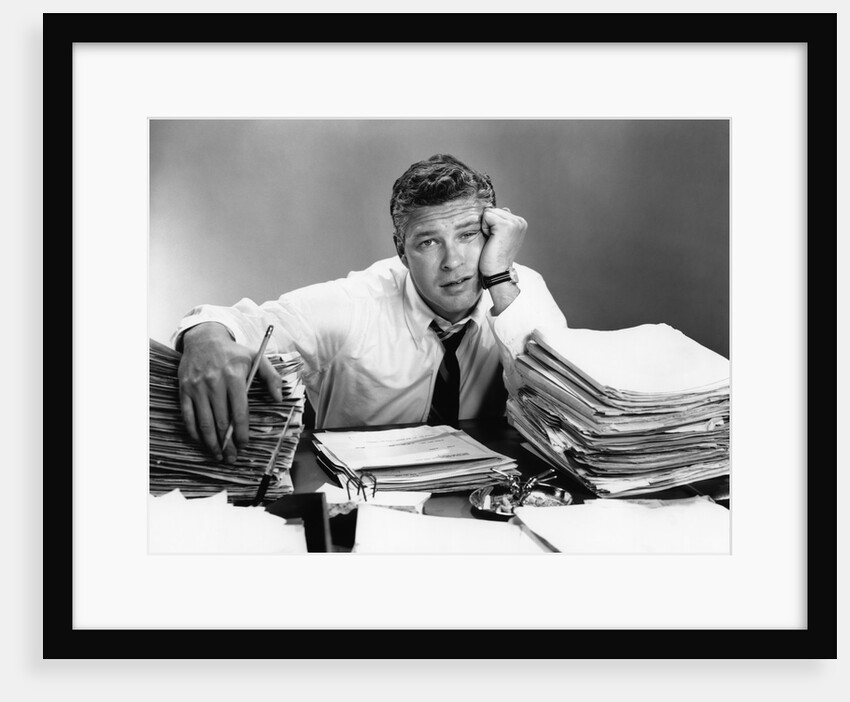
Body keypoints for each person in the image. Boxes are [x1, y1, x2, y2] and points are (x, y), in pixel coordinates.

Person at [173, 154, 567, 463]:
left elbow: (566, 400)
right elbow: (236, 323)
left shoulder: (514, 288)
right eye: (428, 242)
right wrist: (204, 336)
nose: (453, 262)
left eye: (468, 235)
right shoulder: (354, 304)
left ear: (495, 233)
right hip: (366, 502)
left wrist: (499, 279)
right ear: (401, 250)